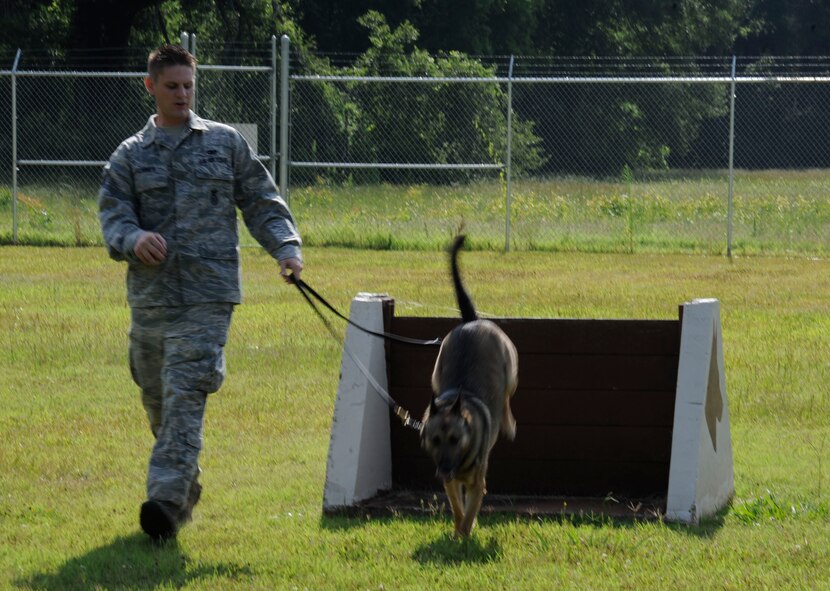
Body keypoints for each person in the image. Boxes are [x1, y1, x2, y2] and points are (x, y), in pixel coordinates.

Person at [98, 44, 303, 542]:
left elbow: (261, 200)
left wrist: (286, 248)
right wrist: (134, 238)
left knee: (186, 391)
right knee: (157, 397)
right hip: (151, 298)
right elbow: (113, 215)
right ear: (151, 87)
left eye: (188, 86)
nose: (182, 94)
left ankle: (164, 503)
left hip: (209, 297)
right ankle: (185, 484)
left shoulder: (225, 144)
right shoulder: (129, 155)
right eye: (172, 86)